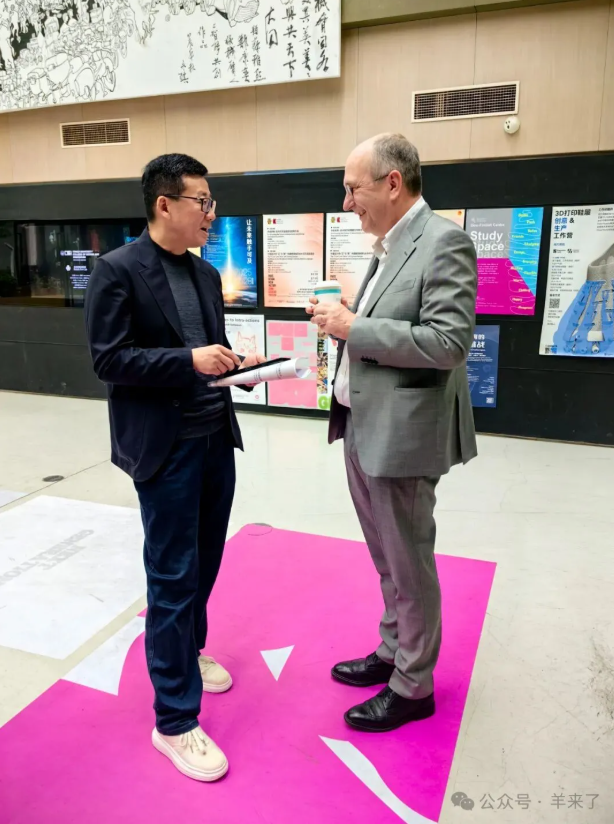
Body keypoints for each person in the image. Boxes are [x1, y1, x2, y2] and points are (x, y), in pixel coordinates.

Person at [84, 153, 265, 781]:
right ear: (165, 204)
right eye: (201, 201)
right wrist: (188, 360)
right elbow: (109, 360)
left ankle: (189, 651)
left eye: (211, 203)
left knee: (206, 561)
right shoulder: (117, 271)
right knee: (171, 576)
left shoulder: (207, 275)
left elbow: (210, 354)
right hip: (164, 451)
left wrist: (238, 367)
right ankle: (175, 721)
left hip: (215, 441)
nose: (211, 214)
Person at [307, 133, 478, 733]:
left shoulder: (444, 242)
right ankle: (393, 650)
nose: (346, 202)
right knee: (386, 557)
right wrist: (346, 323)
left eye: (352, 188)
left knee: (409, 563)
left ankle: (412, 685)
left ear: (392, 183)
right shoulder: (389, 246)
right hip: (364, 423)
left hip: (403, 437)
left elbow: (448, 343)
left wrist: (353, 327)